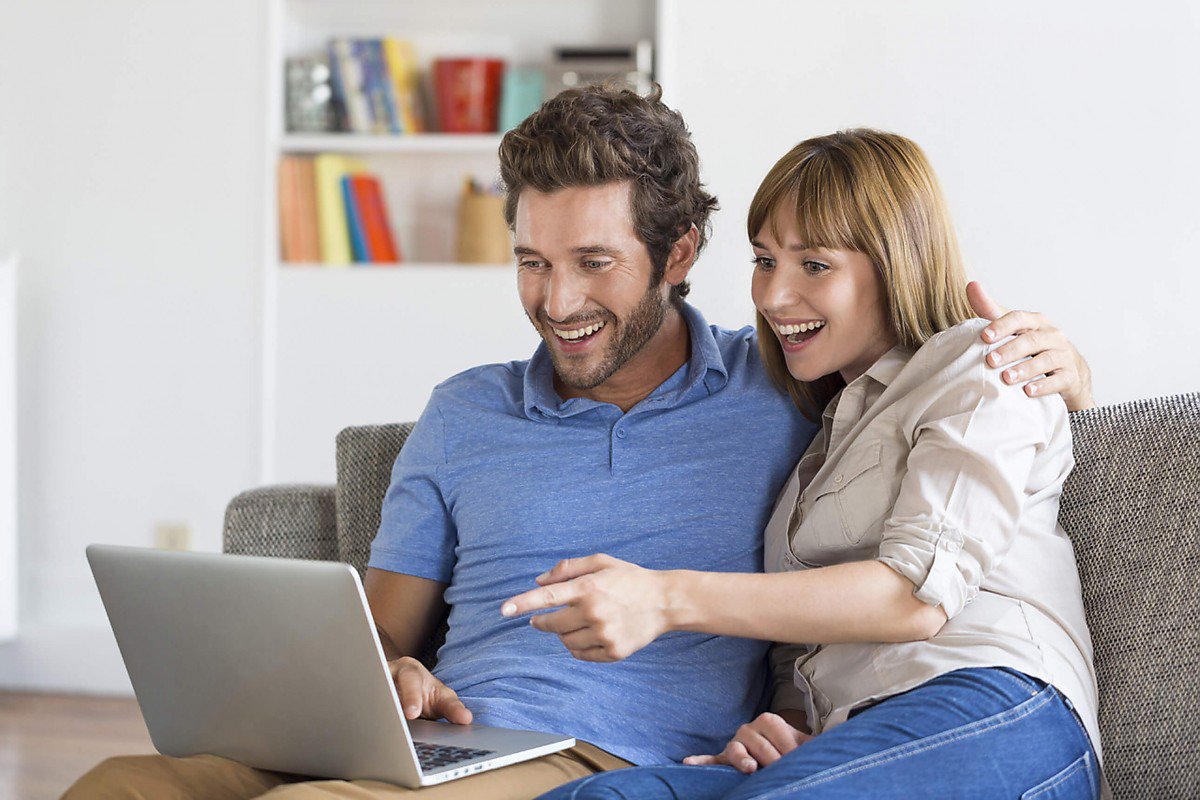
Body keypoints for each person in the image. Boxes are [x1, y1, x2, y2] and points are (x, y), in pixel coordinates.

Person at [63, 89, 1095, 800]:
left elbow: (932, 389)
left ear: (678, 252)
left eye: (594, 262)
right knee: (121, 783)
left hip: (588, 756)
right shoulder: (462, 410)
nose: (557, 302)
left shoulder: (780, 384)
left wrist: (1063, 368)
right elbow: (378, 632)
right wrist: (392, 675)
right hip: (425, 742)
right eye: (530, 261)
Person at [521, 129, 1102, 800]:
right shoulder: (814, 443)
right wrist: (789, 727)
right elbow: (806, 650)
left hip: (994, 708)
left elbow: (914, 599)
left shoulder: (982, 362)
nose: (772, 297)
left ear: (895, 262)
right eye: (765, 261)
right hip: (854, 739)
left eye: (814, 266)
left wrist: (663, 598)